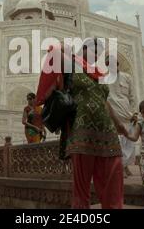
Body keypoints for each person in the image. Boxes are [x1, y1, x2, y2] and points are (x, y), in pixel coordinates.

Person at [36, 38, 127, 209]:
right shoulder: (71, 64)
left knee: (113, 189)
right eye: (94, 50)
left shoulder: (99, 74)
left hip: (108, 134)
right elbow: (54, 51)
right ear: (83, 49)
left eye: (100, 53)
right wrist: (65, 50)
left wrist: (120, 125)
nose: (97, 55)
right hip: (81, 133)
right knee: (81, 193)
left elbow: (105, 103)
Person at [106, 55, 138, 178]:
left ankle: (125, 166)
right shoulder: (104, 78)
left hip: (127, 115)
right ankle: (121, 167)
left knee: (129, 144)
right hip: (114, 116)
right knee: (118, 144)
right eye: (109, 63)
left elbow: (132, 96)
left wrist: (135, 113)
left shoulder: (127, 77)